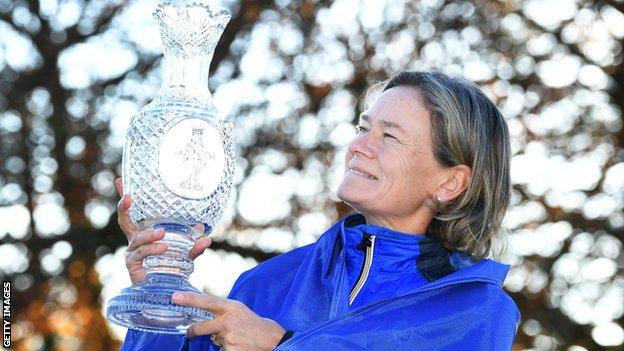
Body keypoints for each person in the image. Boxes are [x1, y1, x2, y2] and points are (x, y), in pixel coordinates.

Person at [118, 71, 520, 350]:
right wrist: (158, 294)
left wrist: (281, 345)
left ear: (448, 183)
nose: (358, 146)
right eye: (364, 128)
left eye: (390, 136)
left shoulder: (475, 311)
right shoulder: (267, 283)